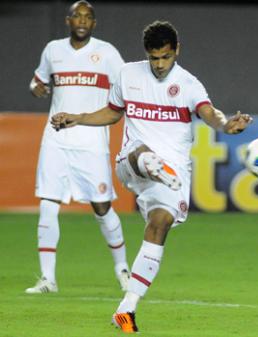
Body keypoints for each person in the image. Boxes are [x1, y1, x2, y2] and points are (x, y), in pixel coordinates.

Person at [51, 21, 252, 333]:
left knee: (158, 227)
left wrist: (226, 126)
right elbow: (113, 112)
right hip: (133, 163)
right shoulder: (129, 74)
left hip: (172, 174)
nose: (160, 64)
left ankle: (126, 309)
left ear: (177, 51)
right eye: (154, 57)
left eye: (166, 57)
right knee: (140, 151)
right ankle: (152, 163)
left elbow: (209, 113)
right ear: (147, 54)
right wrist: (77, 118)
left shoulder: (188, 85)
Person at [26, 0, 129, 294]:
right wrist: (38, 89)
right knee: (48, 203)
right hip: (56, 138)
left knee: (101, 206)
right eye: (77, 16)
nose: (82, 20)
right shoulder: (53, 50)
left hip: (91, 141)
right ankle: (48, 279)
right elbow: (37, 83)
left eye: (88, 17)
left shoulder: (107, 53)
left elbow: (126, 86)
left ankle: (122, 269)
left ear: (94, 23)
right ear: (67, 20)